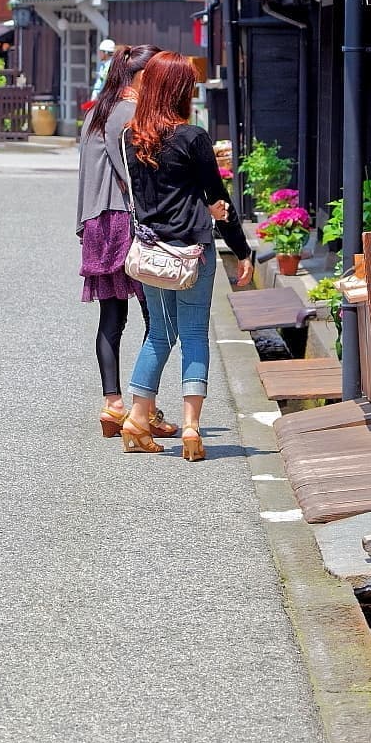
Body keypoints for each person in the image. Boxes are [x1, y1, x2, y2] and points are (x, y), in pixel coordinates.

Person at [119, 51, 253, 461]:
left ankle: (136, 420)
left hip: (150, 253)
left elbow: (144, 197)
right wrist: (242, 249)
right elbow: (219, 198)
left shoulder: (131, 136)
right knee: (194, 334)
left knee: (160, 333)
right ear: (180, 89)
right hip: (192, 252)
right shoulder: (192, 137)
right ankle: (192, 430)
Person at [75, 45, 181, 441]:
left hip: (97, 223)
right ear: (142, 77)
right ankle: (145, 409)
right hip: (126, 220)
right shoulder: (131, 114)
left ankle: (113, 404)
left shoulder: (96, 111)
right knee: (158, 320)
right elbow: (135, 174)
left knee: (111, 318)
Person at [87, 38, 117, 103]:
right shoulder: (103, 65)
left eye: (100, 51)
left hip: (107, 99)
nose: (99, 54)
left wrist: (96, 94)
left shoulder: (110, 66)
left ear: (105, 53)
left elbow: (102, 81)